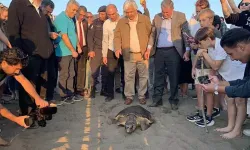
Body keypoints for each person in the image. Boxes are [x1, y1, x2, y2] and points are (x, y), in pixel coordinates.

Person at [195, 27, 246, 134]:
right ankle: (230, 125)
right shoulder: (211, 48)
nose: (200, 45)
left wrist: (204, 54)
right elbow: (212, 66)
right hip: (228, 75)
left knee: (240, 101)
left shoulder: (221, 46)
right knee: (229, 99)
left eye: (201, 42)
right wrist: (211, 77)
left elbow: (216, 65)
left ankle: (237, 129)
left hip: (237, 73)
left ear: (208, 39)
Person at [8, 0, 55, 115]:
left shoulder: (38, 9)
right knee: (28, 86)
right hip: (28, 56)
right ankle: (28, 114)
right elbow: (13, 33)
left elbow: (38, 32)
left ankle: (38, 110)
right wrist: (20, 57)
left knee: (40, 85)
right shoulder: (18, 3)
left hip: (43, 56)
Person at [0, 47, 49, 146]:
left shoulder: (8, 66)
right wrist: (16, 119)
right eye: (16, 68)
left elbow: (23, 81)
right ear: (4, 63)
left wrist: (37, 98)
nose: (18, 72)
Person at [148, 0, 190, 110]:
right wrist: (149, 49)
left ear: (172, 9)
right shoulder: (157, 17)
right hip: (159, 51)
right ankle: (157, 99)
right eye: (163, 12)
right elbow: (153, 34)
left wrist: (187, 50)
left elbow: (186, 34)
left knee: (174, 76)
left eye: (167, 12)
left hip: (173, 51)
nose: (165, 14)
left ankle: (174, 100)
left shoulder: (180, 16)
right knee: (158, 76)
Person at [186, 8, 222, 127]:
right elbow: (200, 51)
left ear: (211, 19)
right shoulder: (201, 31)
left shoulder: (214, 33)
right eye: (199, 20)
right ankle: (201, 112)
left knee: (208, 91)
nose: (200, 22)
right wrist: (193, 67)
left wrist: (212, 72)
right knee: (199, 90)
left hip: (209, 67)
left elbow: (213, 55)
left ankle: (208, 115)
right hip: (199, 66)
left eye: (203, 20)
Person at [114, 0, 151, 105]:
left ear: (135, 9)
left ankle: (142, 95)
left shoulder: (144, 19)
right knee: (128, 76)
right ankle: (129, 96)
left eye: (131, 11)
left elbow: (151, 34)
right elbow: (117, 36)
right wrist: (117, 48)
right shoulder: (122, 21)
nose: (129, 14)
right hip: (129, 54)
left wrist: (149, 49)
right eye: (126, 12)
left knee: (143, 76)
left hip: (142, 54)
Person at [54, 0, 82, 105]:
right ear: (67, 7)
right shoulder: (61, 18)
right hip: (64, 52)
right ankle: (63, 95)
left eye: (76, 10)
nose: (75, 12)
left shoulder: (70, 19)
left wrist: (78, 46)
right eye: (73, 9)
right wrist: (72, 50)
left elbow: (73, 34)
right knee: (64, 74)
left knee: (72, 73)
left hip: (71, 52)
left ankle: (70, 93)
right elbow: (64, 36)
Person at [87, 5, 107, 98]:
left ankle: (104, 89)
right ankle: (92, 89)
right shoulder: (95, 23)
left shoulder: (110, 23)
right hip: (96, 50)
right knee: (94, 71)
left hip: (106, 51)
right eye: (100, 14)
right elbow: (90, 37)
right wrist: (91, 50)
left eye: (103, 14)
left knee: (105, 71)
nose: (101, 16)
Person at [102, 4, 120, 102]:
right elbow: (105, 40)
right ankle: (110, 94)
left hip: (123, 49)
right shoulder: (106, 23)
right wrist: (104, 55)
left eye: (113, 14)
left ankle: (127, 94)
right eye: (109, 15)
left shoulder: (123, 20)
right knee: (110, 72)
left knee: (125, 72)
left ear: (117, 10)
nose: (111, 16)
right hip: (111, 49)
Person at [73, 6, 88, 97]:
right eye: (80, 14)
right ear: (77, 12)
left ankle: (80, 88)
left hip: (84, 48)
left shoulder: (85, 22)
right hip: (74, 48)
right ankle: (72, 89)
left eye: (84, 15)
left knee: (82, 69)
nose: (82, 17)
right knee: (73, 69)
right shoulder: (71, 21)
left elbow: (88, 36)